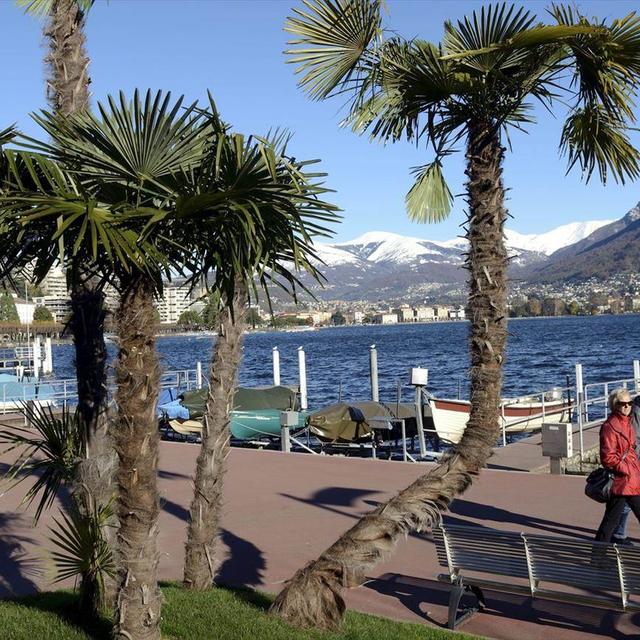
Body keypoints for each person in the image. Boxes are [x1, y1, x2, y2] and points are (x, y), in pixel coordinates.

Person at [595, 388, 640, 543]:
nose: (627, 406)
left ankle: (597, 557)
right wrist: (627, 470)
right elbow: (608, 457)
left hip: (630, 478)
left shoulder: (627, 423)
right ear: (615, 405)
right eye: (623, 403)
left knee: (610, 520)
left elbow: (632, 450)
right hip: (622, 480)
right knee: (610, 521)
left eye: (630, 403)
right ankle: (597, 558)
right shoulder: (610, 427)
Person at [612, 393, 640, 543]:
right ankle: (618, 534)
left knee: (620, 506)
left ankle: (617, 534)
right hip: (633, 467)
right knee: (625, 504)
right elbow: (633, 443)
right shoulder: (636, 411)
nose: (626, 406)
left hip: (631, 467)